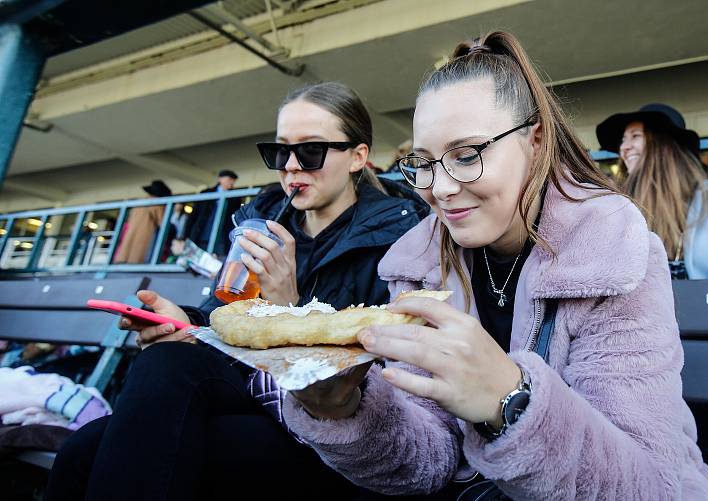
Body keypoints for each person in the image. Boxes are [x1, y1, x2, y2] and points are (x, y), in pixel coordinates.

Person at [283, 31, 708, 500]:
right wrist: (345, 411)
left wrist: (510, 401)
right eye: (424, 163)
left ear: (535, 141)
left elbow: (648, 486)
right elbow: (427, 462)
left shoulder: (611, 252)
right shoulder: (419, 265)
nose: (442, 189)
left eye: (467, 155)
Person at [46, 82, 428, 501]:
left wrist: (291, 310)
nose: (292, 167)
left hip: (331, 421)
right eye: (281, 152)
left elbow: (377, 366)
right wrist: (186, 323)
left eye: (311, 151)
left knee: (180, 446)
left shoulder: (398, 234)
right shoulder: (259, 219)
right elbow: (223, 311)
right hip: (248, 391)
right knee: (82, 448)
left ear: (358, 157)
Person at [597, 103, 708, 279]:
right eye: (623, 140)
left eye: (635, 136)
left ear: (665, 145)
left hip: (706, 304)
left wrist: (698, 300)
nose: (624, 147)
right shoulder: (621, 205)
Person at [177, 170, 241, 256]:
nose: (232, 182)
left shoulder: (235, 197)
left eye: (233, 180)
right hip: (201, 234)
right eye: (229, 179)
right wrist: (185, 236)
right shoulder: (205, 193)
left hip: (222, 238)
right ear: (220, 179)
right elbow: (193, 216)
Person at [112, 180, 172, 264]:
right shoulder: (158, 204)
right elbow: (163, 224)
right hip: (144, 243)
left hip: (127, 248)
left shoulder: (138, 204)